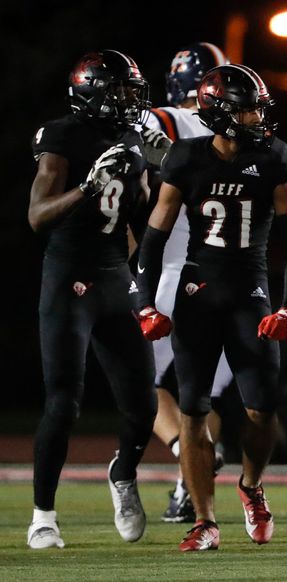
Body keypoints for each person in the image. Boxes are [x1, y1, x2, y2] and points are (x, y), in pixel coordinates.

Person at [133, 63, 287, 551]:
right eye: (250, 108)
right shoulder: (186, 159)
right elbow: (154, 237)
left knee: (262, 407)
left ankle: (251, 486)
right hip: (198, 291)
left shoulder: (275, 157)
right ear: (223, 113)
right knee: (191, 408)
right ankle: (204, 520)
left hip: (251, 290)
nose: (259, 116)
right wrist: (146, 304)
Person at [27, 49, 164, 549]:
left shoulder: (128, 135)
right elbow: (38, 216)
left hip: (114, 275)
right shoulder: (62, 135)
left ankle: (122, 473)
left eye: (132, 90)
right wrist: (88, 186)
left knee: (143, 405)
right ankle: (43, 515)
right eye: (120, 90)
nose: (129, 100)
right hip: (68, 277)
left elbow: (143, 215)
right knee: (64, 402)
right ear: (91, 92)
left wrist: (157, 163)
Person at [143, 41, 233, 524]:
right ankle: (187, 488)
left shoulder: (162, 122)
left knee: (138, 375)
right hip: (234, 278)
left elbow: (141, 193)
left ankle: (181, 445)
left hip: (172, 270)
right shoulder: (246, 130)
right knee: (206, 393)